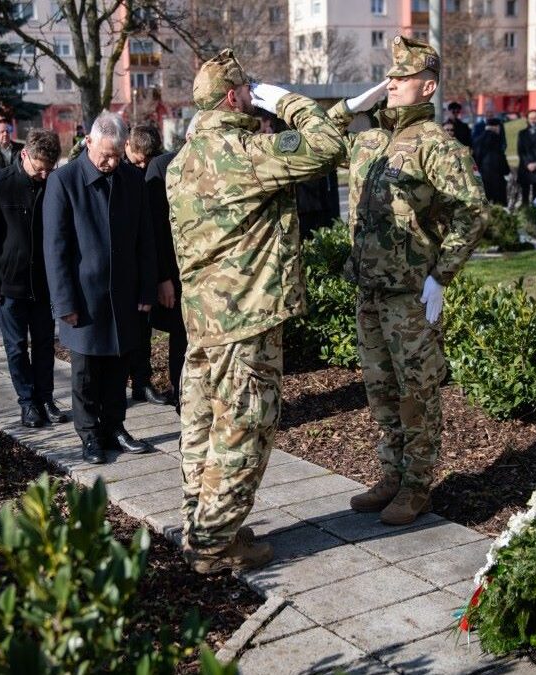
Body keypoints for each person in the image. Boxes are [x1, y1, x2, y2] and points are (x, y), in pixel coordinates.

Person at [166, 48, 344, 574]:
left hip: (204, 322)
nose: (251, 97)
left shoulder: (183, 160)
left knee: (200, 425)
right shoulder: (242, 152)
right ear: (232, 96)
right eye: (247, 90)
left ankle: (201, 522)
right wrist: (288, 102)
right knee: (244, 428)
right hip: (245, 319)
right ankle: (214, 546)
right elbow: (325, 146)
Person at [327, 37, 486, 526]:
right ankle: (391, 474)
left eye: (401, 77)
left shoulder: (437, 146)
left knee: (417, 390)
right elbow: (322, 141)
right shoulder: (369, 141)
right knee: (380, 389)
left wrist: (443, 273)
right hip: (370, 289)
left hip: (411, 294)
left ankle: (417, 485)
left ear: (428, 86)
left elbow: (473, 211)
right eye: (389, 76)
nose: (391, 83)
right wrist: (353, 106)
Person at [44, 111, 157, 465]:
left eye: (116, 155)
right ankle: (90, 435)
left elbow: (145, 238)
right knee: (86, 372)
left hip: (123, 292)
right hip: (84, 297)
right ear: (88, 142)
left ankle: (115, 427)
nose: (109, 163)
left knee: (119, 365)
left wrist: (146, 289)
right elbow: (56, 248)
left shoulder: (131, 180)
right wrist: (64, 302)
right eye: (103, 155)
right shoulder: (64, 181)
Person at [0, 129, 68, 428]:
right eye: (39, 168)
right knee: (16, 346)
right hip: (9, 283)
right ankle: (27, 403)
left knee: (44, 345)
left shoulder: (52, 183)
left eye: (48, 170)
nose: (43, 175)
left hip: (42, 283)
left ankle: (46, 398)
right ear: (25, 155)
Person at [144, 117, 199, 412]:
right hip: (176, 273)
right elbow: (155, 230)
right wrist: (163, 277)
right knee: (181, 336)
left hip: (208, 274)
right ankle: (182, 397)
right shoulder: (162, 167)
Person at [123, 124, 171, 406]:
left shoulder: (157, 170)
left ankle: (142, 381)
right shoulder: (118, 167)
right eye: (137, 159)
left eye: (146, 161)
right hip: (123, 260)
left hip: (145, 259)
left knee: (143, 328)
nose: (142, 165)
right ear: (127, 146)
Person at [472, 117, 510, 206]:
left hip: (482, 177)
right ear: (496, 127)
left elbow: (475, 160)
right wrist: (507, 170)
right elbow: (500, 158)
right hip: (497, 177)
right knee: (499, 206)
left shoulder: (477, 140)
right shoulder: (497, 139)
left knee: (484, 206)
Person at [516, 109, 536, 206]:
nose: (533, 120)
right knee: (524, 197)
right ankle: (526, 218)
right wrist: (528, 164)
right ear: (527, 119)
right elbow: (520, 151)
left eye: (535, 118)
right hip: (525, 169)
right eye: (531, 118)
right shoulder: (522, 133)